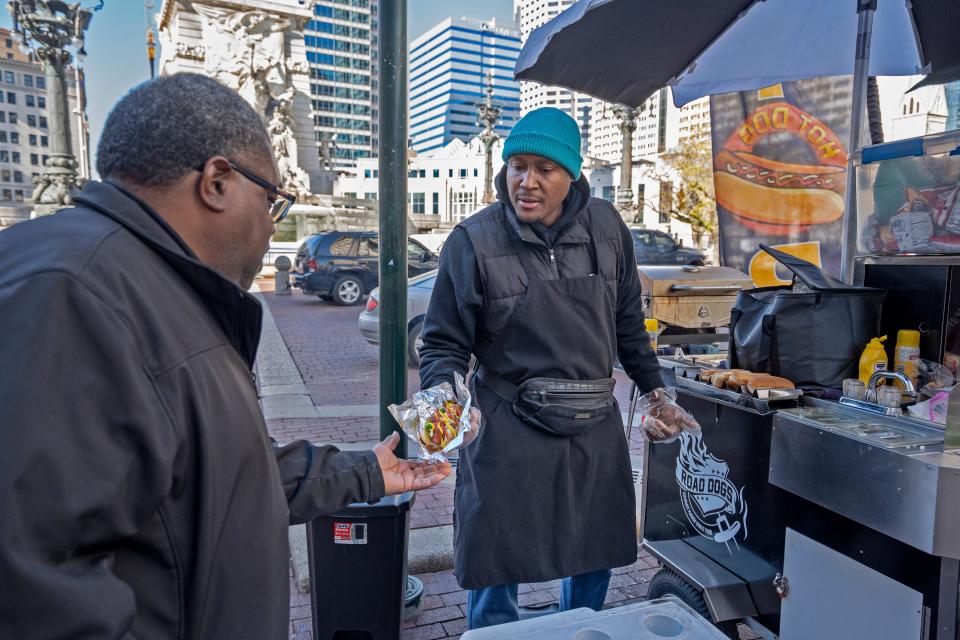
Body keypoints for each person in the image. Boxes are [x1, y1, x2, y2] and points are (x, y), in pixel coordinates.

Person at [0, 73, 451, 638]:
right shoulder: (71, 294)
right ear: (217, 182)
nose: (270, 225)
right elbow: (36, 591)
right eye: (272, 200)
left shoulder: (150, 286)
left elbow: (225, 473)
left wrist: (364, 472)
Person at [418, 107, 694, 629]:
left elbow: (629, 325)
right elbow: (442, 344)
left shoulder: (608, 229)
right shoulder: (473, 240)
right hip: (505, 427)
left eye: (544, 169)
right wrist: (444, 407)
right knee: (495, 560)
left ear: (571, 174)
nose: (526, 181)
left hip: (592, 427)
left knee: (592, 551)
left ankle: (581, 626)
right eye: (517, 165)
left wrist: (656, 392)